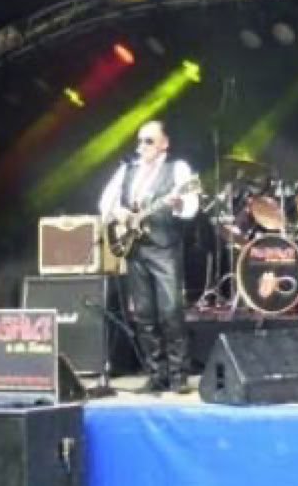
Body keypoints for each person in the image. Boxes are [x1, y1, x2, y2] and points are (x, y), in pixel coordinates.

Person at [98, 121, 199, 394]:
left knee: (170, 311)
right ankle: (156, 374)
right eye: (140, 141)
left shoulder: (177, 169)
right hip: (135, 249)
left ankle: (178, 375)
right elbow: (105, 202)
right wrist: (120, 214)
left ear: (164, 144)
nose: (141, 147)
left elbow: (190, 207)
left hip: (164, 248)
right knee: (144, 314)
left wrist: (178, 203)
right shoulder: (127, 170)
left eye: (149, 141)